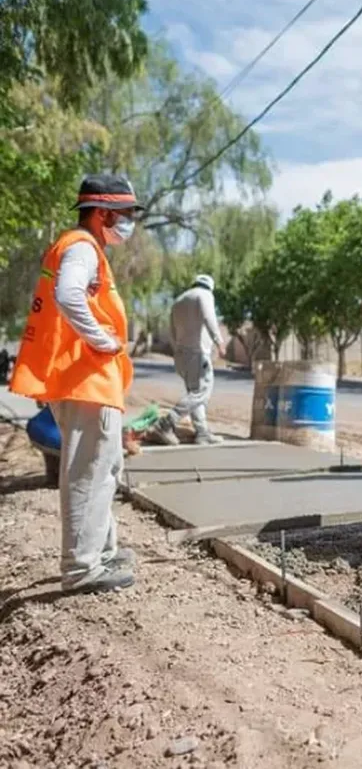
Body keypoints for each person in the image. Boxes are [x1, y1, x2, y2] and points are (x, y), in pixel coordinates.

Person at [9, 174, 142, 593]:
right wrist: (104, 341)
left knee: (104, 469)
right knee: (89, 472)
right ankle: (83, 568)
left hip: (87, 382)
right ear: (102, 213)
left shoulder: (82, 248)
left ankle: (102, 553)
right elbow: (69, 296)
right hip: (87, 381)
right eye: (124, 215)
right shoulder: (82, 248)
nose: (128, 224)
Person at [146, 274, 225, 445]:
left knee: (194, 394)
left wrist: (178, 351)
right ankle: (166, 423)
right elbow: (209, 317)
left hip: (182, 355)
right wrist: (219, 341)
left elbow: (172, 332)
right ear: (210, 286)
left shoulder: (180, 300)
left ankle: (202, 432)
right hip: (198, 353)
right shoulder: (204, 295)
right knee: (201, 393)